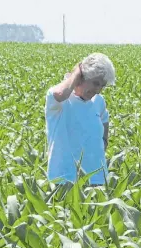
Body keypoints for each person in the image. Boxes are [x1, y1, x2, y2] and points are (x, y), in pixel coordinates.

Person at [44, 53, 116, 186]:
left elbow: (104, 129)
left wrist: (101, 145)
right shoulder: (60, 101)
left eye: (102, 86)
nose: (98, 90)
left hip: (97, 180)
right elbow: (60, 94)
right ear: (82, 77)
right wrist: (77, 71)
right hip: (65, 180)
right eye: (96, 83)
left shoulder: (98, 102)